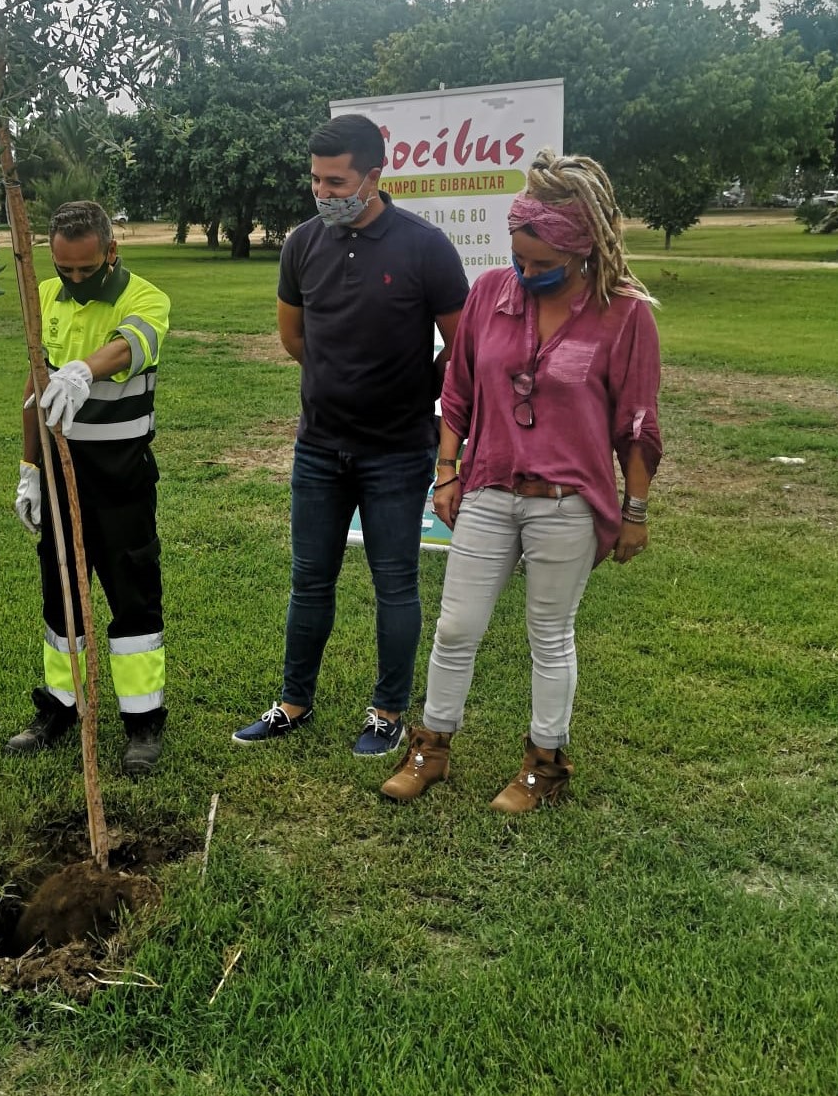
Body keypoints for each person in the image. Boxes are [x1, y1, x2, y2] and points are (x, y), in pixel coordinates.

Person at [382, 148, 661, 811]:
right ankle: (433, 746)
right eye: (519, 259)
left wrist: (637, 510)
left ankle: (545, 762)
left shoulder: (626, 315)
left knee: (549, 634)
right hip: (488, 489)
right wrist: (446, 472)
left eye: (544, 266)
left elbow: (638, 423)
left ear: (586, 248)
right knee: (456, 627)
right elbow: (458, 389)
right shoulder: (489, 294)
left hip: (567, 503)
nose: (526, 273)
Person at [234, 114, 470, 757]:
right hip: (319, 447)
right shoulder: (301, 244)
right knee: (310, 577)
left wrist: (414, 384)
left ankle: (387, 711)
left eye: (337, 182)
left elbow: (465, 344)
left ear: (375, 175)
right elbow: (293, 337)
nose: (324, 194)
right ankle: (292, 701)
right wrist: (339, 380)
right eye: (316, 181)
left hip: (397, 451)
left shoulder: (425, 247)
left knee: (395, 582)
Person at [6, 201, 172, 777]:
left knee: (133, 596)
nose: (74, 281)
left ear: (111, 252)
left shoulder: (145, 298)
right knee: (60, 596)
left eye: (86, 269)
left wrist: (83, 371)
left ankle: (143, 720)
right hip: (58, 473)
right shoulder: (44, 296)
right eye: (64, 269)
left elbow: (130, 344)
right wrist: (30, 469)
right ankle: (61, 705)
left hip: (121, 475)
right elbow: (33, 380)